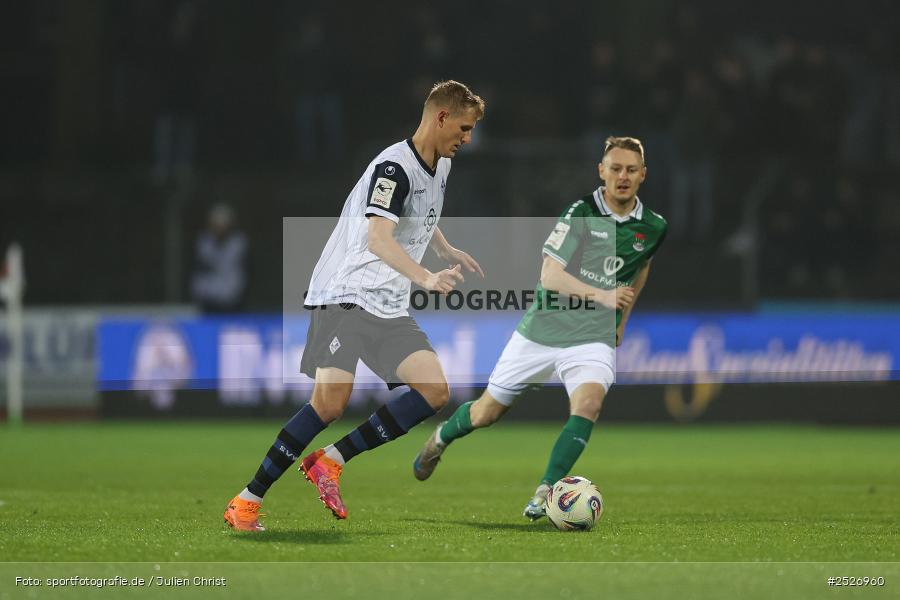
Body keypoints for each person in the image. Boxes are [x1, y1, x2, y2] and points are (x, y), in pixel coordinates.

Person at [224, 81, 486, 531]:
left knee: (434, 391)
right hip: (346, 293)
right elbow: (377, 236)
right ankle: (246, 501)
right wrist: (425, 276)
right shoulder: (393, 168)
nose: (467, 138)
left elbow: (419, 213)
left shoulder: (439, 165)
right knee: (329, 404)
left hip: (386, 300)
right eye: (463, 128)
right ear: (440, 117)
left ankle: (331, 460)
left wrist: (442, 247)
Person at [412, 136, 667, 520]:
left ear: (643, 175)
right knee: (485, 414)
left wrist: (621, 322)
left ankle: (546, 492)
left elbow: (641, 266)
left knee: (589, 404)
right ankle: (440, 438)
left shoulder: (654, 226)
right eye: (615, 168)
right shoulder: (580, 213)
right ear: (602, 171)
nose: (623, 176)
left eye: (631, 170)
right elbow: (550, 277)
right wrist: (603, 295)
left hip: (592, 337)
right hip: (542, 331)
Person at [190, 204, 248, 314]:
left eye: (223, 224)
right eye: (216, 224)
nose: (219, 227)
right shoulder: (203, 243)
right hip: (208, 298)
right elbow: (197, 271)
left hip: (232, 299)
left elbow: (245, 271)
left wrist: (241, 294)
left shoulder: (239, 243)